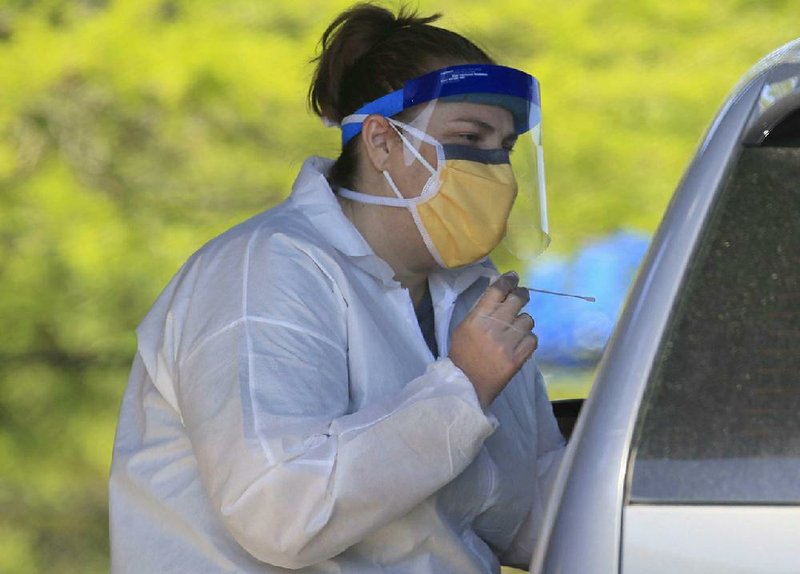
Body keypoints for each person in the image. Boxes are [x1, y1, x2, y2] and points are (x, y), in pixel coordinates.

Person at [109, 3, 565, 573]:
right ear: (381, 143)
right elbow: (280, 514)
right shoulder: (266, 271)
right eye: (469, 137)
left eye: (505, 147)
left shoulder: (473, 294)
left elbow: (524, 517)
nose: (495, 167)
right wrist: (464, 387)